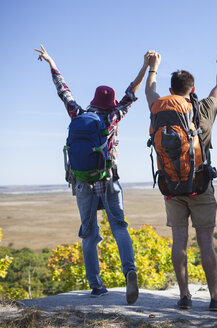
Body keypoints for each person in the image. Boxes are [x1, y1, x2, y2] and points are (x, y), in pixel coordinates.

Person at [34, 45, 148, 304]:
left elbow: (63, 91)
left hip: (83, 183)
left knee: (89, 233)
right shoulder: (113, 118)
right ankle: (130, 271)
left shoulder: (79, 113)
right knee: (119, 227)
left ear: (94, 100)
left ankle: (96, 286)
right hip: (109, 179)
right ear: (111, 103)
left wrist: (52, 61)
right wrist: (146, 66)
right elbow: (131, 92)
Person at [144, 42, 217, 311]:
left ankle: (184, 296)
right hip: (200, 186)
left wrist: (153, 68)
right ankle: (215, 299)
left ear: (171, 91)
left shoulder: (158, 106)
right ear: (192, 89)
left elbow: (149, 90)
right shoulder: (202, 109)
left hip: (170, 185)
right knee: (206, 242)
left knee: (179, 241)